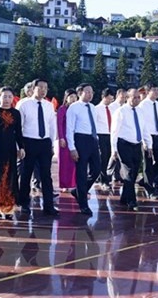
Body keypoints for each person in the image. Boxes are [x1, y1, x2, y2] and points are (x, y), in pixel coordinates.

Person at [17, 79, 59, 216]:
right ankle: (24, 203)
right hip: (28, 142)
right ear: (33, 88)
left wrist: (51, 142)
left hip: (44, 143)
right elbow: (18, 127)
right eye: (40, 87)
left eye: (45, 88)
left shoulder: (48, 105)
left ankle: (48, 206)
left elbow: (52, 125)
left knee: (46, 175)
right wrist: (19, 146)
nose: (43, 90)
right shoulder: (23, 104)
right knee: (26, 174)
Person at [0, 87, 25, 219]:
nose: (7, 99)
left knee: (10, 177)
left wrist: (21, 147)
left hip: (11, 148)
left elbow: (18, 132)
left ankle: (7, 208)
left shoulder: (16, 113)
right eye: (4, 96)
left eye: (9, 96)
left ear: (13, 98)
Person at [110, 88, 152, 211]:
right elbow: (114, 131)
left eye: (139, 97)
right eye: (134, 97)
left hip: (136, 145)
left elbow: (144, 129)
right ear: (127, 98)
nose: (137, 99)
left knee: (134, 173)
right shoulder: (120, 111)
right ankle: (132, 200)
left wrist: (148, 145)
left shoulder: (140, 111)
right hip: (124, 145)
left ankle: (124, 197)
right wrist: (114, 150)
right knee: (128, 172)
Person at [66, 83, 102, 216]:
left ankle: (79, 191)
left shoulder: (92, 107)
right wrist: (72, 148)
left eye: (91, 92)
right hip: (80, 140)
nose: (90, 94)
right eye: (87, 92)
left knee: (97, 169)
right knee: (81, 173)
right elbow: (69, 129)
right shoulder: (74, 108)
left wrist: (96, 140)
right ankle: (83, 204)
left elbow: (93, 125)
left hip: (92, 140)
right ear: (80, 92)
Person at [138, 82, 158, 197]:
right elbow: (141, 124)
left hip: (157, 136)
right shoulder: (142, 105)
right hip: (147, 137)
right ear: (148, 91)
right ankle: (150, 188)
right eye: (154, 90)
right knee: (148, 164)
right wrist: (144, 141)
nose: (157, 92)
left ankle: (145, 180)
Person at [57, 89, 78, 191]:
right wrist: (61, 137)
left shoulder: (77, 109)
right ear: (66, 98)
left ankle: (73, 183)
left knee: (74, 162)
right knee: (65, 162)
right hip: (65, 138)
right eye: (71, 97)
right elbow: (59, 124)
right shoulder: (62, 109)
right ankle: (65, 185)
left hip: (75, 138)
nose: (73, 99)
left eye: (75, 97)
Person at [95, 88, 115, 190]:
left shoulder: (112, 109)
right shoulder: (96, 109)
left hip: (110, 135)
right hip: (101, 135)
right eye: (108, 99)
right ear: (103, 97)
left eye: (111, 99)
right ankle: (104, 181)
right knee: (103, 158)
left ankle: (105, 177)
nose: (109, 101)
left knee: (109, 158)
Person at [106, 89, 127, 183]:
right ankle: (108, 174)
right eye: (122, 97)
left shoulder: (126, 107)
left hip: (122, 135)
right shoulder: (111, 107)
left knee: (120, 156)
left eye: (125, 97)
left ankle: (117, 175)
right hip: (113, 134)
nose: (123, 99)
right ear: (117, 96)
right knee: (113, 156)